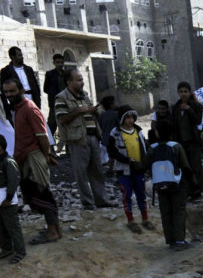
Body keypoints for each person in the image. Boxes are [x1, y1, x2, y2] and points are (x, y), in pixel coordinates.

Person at [4, 78, 60, 244]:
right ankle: (54, 229)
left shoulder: (29, 108)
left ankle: (52, 232)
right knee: (36, 194)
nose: (9, 95)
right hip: (26, 157)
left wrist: (46, 155)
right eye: (6, 92)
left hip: (34, 156)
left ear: (21, 90)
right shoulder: (18, 109)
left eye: (12, 91)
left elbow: (42, 136)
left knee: (42, 193)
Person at [55, 68, 114, 210]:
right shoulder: (61, 97)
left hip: (93, 136)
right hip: (77, 139)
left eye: (82, 79)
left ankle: (101, 200)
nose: (82, 82)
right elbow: (61, 119)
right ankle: (88, 203)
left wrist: (94, 111)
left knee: (97, 171)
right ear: (69, 82)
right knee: (81, 173)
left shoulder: (85, 95)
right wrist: (79, 111)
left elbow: (90, 112)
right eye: (79, 80)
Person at [106, 105, 154, 233]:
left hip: (138, 169)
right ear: (122, 119)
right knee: (126, 195)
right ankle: (131, 220)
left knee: (141, 194)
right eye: (127, 117)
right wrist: (126, 160)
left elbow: (144, 148)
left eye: (132, 117)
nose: (131, 120)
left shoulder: (138, 131)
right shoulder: (115, 133)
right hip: (124, 170)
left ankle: (145, 218)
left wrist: (145, 164)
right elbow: (112, 150)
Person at [148, 120, 192, 250]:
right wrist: (192, 183)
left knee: (166, 212)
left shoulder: (152, 148)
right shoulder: (176, 146)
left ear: (156, 133)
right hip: (176, 184)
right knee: (178, 211)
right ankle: (180, 241)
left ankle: (171, 240)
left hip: (160, 185)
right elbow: (185, 165)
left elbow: (145, 165)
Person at [173, 82, 203, 200]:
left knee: (196, 167)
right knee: (185, 168)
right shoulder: (176, 107)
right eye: (181, 92)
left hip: (193, 141)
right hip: (181, 143)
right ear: (178, 93)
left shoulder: (195, 105)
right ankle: (188, 190)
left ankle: (198, 190)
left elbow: (198, 121)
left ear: (190, 92)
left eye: (185, 91)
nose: (183, 94)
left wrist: (189, 110)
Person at [0, 135, 26, 264]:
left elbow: (13, 181)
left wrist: (8, 198)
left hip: (6, 199)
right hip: (2, 198)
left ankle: (20, 251)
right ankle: (7, 248)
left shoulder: (8, 162)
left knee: (12, 226)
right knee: (2, 226)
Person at [1, 47, 42, 121]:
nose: (22, 57)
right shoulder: (6, 71)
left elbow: (36, 86)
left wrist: (38, 101)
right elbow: (4, 90)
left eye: (21, 55)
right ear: (13, 57)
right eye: (19, 55)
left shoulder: (28, 69)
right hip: (17, 101)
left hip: (32, 99)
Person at [43, 53, 68, 141]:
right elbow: (45, 89)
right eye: (58, 62)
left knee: (67, 124)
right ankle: (50, 144)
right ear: (54, 63)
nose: (60, 64)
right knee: (52, 124)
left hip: (66, 103)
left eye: (61, 62)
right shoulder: (50, 74)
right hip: (55, 103)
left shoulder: (67, 74)